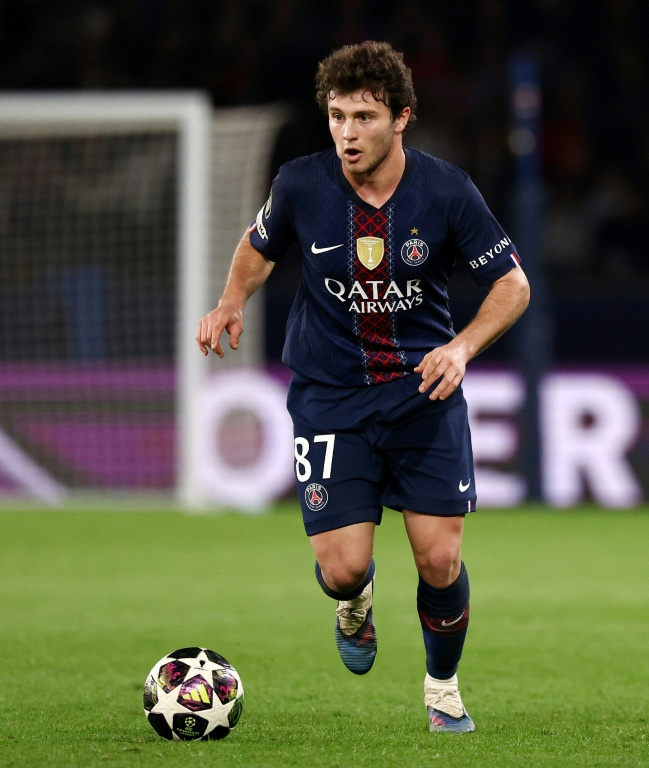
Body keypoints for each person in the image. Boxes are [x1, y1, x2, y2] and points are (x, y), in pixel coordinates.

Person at [197, 40, 530, 733]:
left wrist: (462, 346)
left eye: (364, 118)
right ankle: (355, 603)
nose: (347, 133)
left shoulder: (444, 190)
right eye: (337, 116)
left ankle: (441, 688)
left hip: (422, 392)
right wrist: (230, 301)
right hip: (330, 394)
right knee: (345, 570)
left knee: (439, 558)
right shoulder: (300, 183)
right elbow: (258, 246)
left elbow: (511, 285)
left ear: (400, 118)